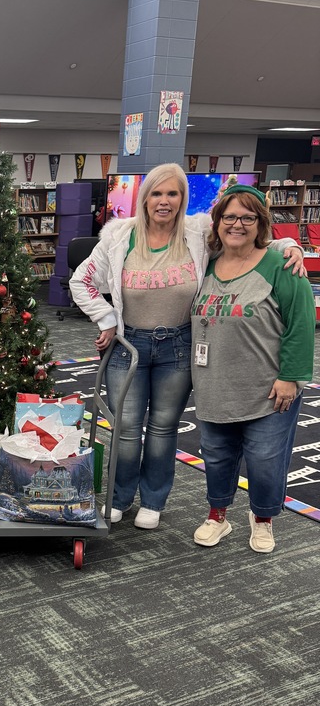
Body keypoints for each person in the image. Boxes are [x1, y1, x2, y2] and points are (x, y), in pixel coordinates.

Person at [69, 163, 304, 530]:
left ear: (183, 199)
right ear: (145, 199)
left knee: (164, 428)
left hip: (179, 346)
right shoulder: (119, 237)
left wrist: (290, 246)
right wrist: (106, 319)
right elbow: (80, 281)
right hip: (128, 346)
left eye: (173, 194)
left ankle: (153, 500)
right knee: (126, 428)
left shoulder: (197, 232)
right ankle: (118, 497)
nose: (164, 201)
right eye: (157, 194)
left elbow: (246, 238)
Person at [190, 185, 315, 553]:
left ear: (261, 223)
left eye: (248, 217)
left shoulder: (282, 266)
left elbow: (301, 324)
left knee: (264, 460)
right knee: (216, 455)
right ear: (218, 222)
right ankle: (218, 515)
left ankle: (262, 519)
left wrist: (291, 377)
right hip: (214, 384)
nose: (237, 224)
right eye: (229, 217)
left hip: (269, 388)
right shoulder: (207, 264)